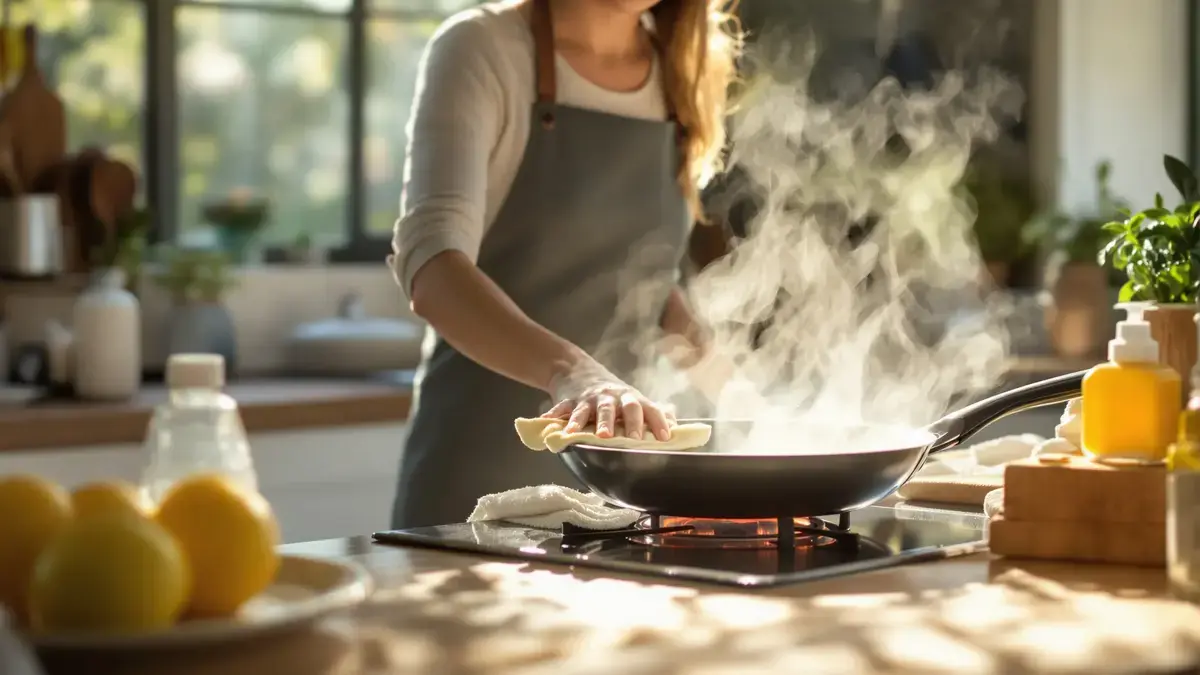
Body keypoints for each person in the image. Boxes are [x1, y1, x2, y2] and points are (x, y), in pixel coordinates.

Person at [387, 0, 740, 529]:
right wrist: (574, 373)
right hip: (477, 480)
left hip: (621, 494)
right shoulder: (483, 47)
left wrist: (746, 398)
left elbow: (648, 286)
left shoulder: (683, 70)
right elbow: (433, 268)